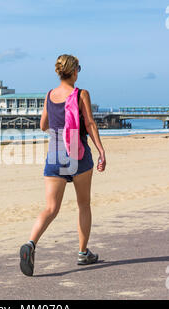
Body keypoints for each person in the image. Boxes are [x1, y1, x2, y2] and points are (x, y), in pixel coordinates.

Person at [19, 54, 107, 277]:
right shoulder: (81, 94)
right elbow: (89, 123)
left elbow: (42, 125)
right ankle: (82, 252)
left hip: (55, 154)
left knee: (50, 208)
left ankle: (30, 244)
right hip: (78, 154)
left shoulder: (50, 95)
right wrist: (101, 151)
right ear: (75, 71)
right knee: (83, 204)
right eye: (79, 68)